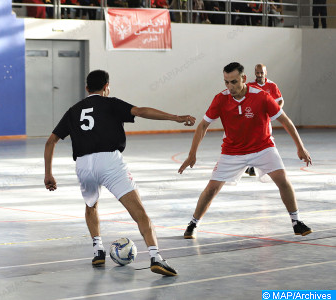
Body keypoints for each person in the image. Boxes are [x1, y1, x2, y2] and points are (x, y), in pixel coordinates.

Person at [44, 70, 196, 276]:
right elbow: (141, 111)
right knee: (139, 212)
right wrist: (175, 118)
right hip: (109, 161)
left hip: (82, 165)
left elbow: (51, 141)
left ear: (87, 88)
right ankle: (156, 257)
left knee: (91, 205)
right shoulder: (111, 103)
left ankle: (98, 250)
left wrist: (49, 174)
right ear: (107, 86)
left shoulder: (74, 110)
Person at [178, 62, 312, 240]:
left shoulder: (261, 96)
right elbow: (203, 125)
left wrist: (300, 147)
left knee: (283, 180)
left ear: (243, 78)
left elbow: (285, 120)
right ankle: (193, 223)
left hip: (263, 147)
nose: (229, 87)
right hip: (232, 151)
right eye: (226, 82)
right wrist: (192, 154)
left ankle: (296, 222)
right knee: (211, 189)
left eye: (233, 82)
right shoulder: (220, 99)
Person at [245, 63, 284, 176]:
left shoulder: (272, 85)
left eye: (261, 72)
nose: (259, 75)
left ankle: (271, 166)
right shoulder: (250, 85)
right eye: (257, 72)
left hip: (265, 120)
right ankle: (250, 166)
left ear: (265, 72)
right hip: (252, 119)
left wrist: (275, 111)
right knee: (250, 140)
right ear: (255, 73)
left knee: (266, 140)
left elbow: (280, 101)